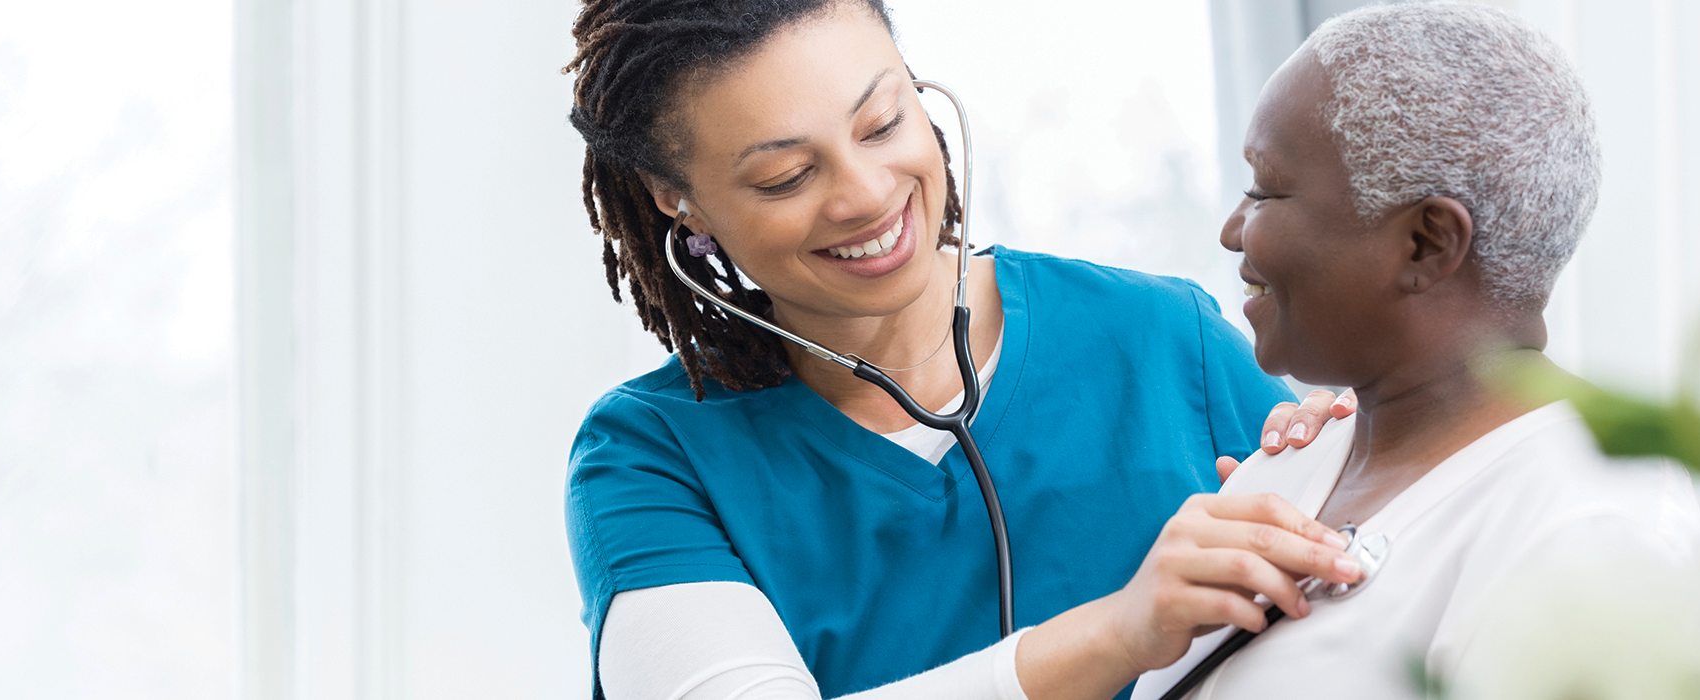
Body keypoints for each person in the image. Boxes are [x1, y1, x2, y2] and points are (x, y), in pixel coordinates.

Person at [561, 1, 1363, 699]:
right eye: (786, 176)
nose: (868, 194)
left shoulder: (1162, 339)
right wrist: (1122, 630)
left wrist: (1367, 457)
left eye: (882, 124)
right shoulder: (652, 459)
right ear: (680, 201)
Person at [1126, 4, 1700, 698]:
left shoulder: (1598, 529)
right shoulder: (1292, 463)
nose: (1232, 231)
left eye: (1267, 189)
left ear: (1427, 242)